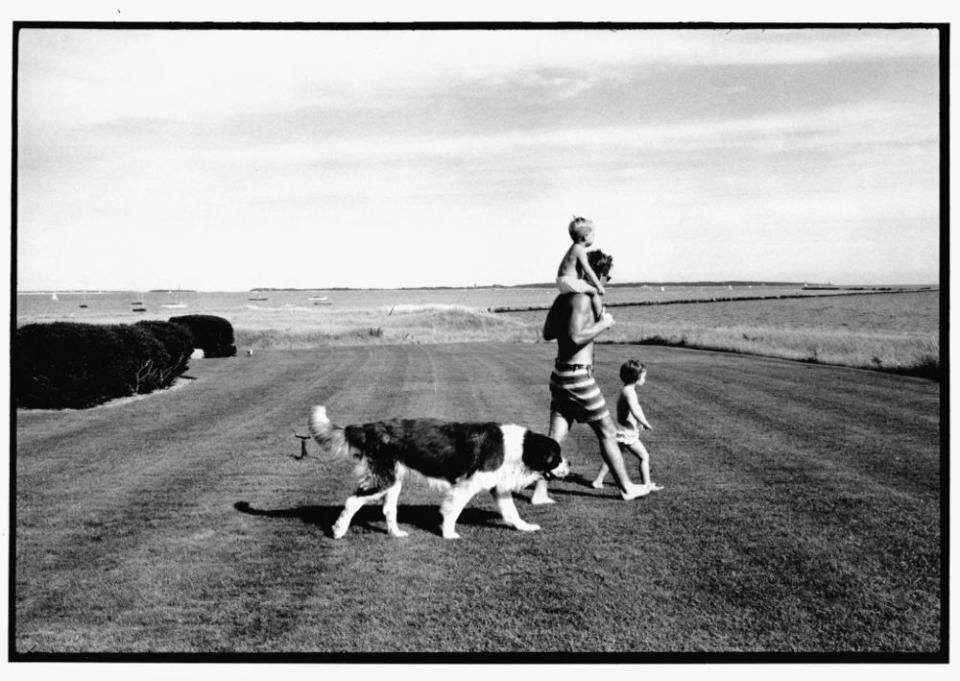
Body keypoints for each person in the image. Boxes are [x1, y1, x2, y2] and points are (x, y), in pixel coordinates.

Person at [534, 249, 650, 503]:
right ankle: (628, 487)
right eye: (606, 276)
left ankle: (540, 492)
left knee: (555, 437)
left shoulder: (561, 299)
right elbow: (575, 338)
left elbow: (547, 333)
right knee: (608, 432)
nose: (607, 282)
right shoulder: (583, 300)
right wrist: (603, 324)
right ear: (596, 274)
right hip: (578, 378)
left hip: (560, 375)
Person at [590, 359, 663, 492]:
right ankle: (646, 485)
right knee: (644, 456)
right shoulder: (629, 392)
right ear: (636, 377)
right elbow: (635, 410)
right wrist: (644, 422)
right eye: (643, 376)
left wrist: (639, 423)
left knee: (612, 456)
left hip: (622, 431)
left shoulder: (627, 390)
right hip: (626, 433)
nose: (645, 378)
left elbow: (636, 409)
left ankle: (598, 480)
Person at [556, 216, 605, 321]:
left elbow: (580, 272)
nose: (594, 236)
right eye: (593, 234)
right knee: (594, 292)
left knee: (584, 285)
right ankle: (600, 316)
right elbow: (588, 270)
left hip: (562, 281)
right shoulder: (579, 249)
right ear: (585, 237)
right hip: (569, 281)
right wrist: (599, 285)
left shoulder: (574, 248)